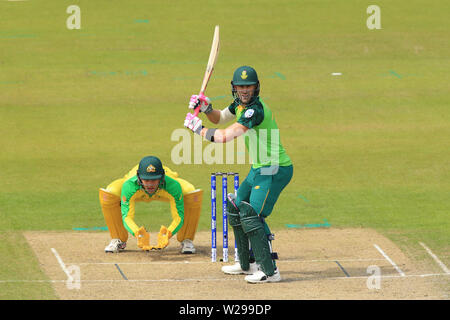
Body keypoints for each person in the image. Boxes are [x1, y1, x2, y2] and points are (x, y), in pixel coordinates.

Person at [184, 66, 293, 283]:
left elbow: (224, 136)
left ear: (256, 87)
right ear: (234, 88)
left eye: (248, 86)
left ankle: (269, 271)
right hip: (259, 167)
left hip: (274, 169)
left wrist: (198, 129)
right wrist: (206, 108)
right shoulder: (240, 105)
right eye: (240, 86)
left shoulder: (255, 111)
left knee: (253, 214)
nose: (244, 90)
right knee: (235, 207)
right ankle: (246, 264)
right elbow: (219, 118)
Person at [99, 156, 203, 254]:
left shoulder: (173, 185)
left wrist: (168, 233)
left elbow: (178, 216)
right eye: (146, 179)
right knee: (109, 193)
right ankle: (118, 239)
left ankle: (187, 240)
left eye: (154, 180)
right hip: (137, 191)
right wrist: (137, 233)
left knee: (191, 192)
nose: (150, 184)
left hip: (163, 191)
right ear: (139, 177)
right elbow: (126, 217)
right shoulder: (129, 185)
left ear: (162, 177)